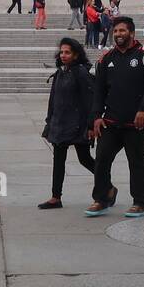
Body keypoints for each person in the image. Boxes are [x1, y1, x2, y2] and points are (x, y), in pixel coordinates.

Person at [85, 16, 144, 218]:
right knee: (101, 159)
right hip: (110, 121)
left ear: (132, 33)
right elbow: (98, 91)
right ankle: (101, 198)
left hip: (136, 121)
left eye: (122, 31)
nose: (118, 34)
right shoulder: (106, 58)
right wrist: (96, 117)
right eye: (115, 31)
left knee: (136, 161)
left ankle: (141, 202)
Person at [39, 38, 97, 209]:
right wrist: (49, 121)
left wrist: (90, 125)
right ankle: (56, 197)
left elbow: (90, 100)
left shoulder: (80, 72)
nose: (63, 55)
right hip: (60, 123)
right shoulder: (60, 72)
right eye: (62, 52)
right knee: (58, 160)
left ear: (76, 55)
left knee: (85, 159)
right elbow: (53, 100)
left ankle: (107, 186)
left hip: (78, 124)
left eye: (67, 52)